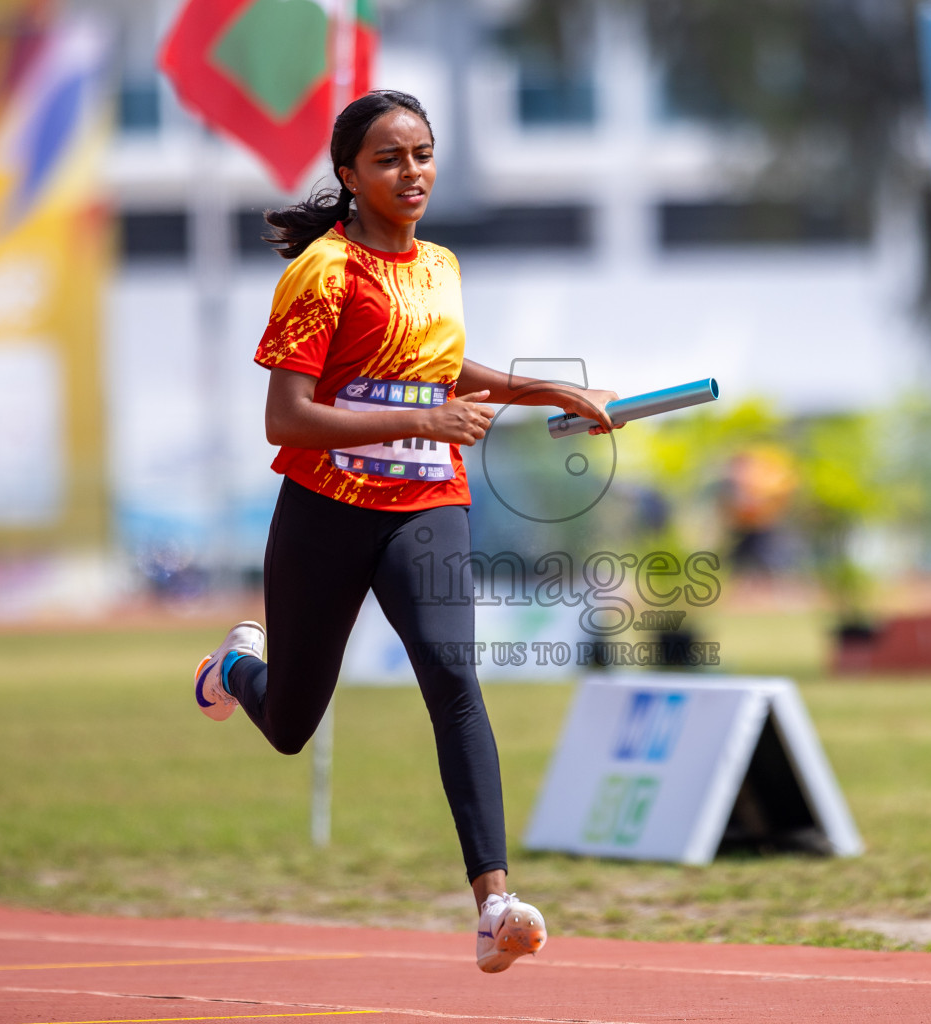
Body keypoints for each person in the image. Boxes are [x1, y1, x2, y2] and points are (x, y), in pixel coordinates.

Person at [190, 90, 620, 974]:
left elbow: (439, 364)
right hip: (325, 510)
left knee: (454, 677)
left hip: (426, 506)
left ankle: (494, 906)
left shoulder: (441, 265)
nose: (411, 172)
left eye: (421, 154)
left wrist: (547, 391)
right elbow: (288, 418)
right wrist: (418, 424)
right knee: (292, 722)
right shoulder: (322, 272)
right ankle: (235, 665)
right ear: (349, 175)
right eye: (389, 159)